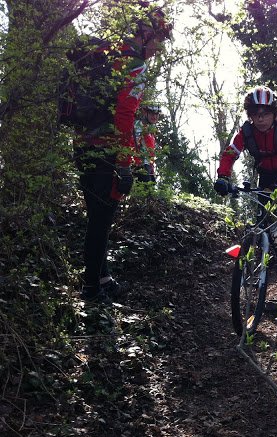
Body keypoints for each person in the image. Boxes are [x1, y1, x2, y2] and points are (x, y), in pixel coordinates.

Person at [74, 4, 172, 302]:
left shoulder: (104, 52)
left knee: (95, 216)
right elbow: (126, 117)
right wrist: (127, 165)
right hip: (108, 152)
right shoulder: (134, 65)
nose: (160, 47)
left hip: (82, 145)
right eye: (159, 39)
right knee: (102, 220)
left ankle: (101, 277)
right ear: (145, 33)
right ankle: (91, 289)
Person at [214, 86, 277, 268]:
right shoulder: (246, 133)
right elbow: (229, 154)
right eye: (255, 114)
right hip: (265, 172)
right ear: (250, 115)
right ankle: (262, 248)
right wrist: (223, 177)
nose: (260, 119)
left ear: (274, 114)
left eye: (265, 113)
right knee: (261, 210)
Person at [133, 103, 161, 182]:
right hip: (139, 165)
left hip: (148, 164)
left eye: (157, 114)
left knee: (151, 190)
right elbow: (132, 144)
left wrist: (151, 167)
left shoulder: (151, 128)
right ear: (145, 113)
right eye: (152, 113)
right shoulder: (137, 125)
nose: (155, 116)